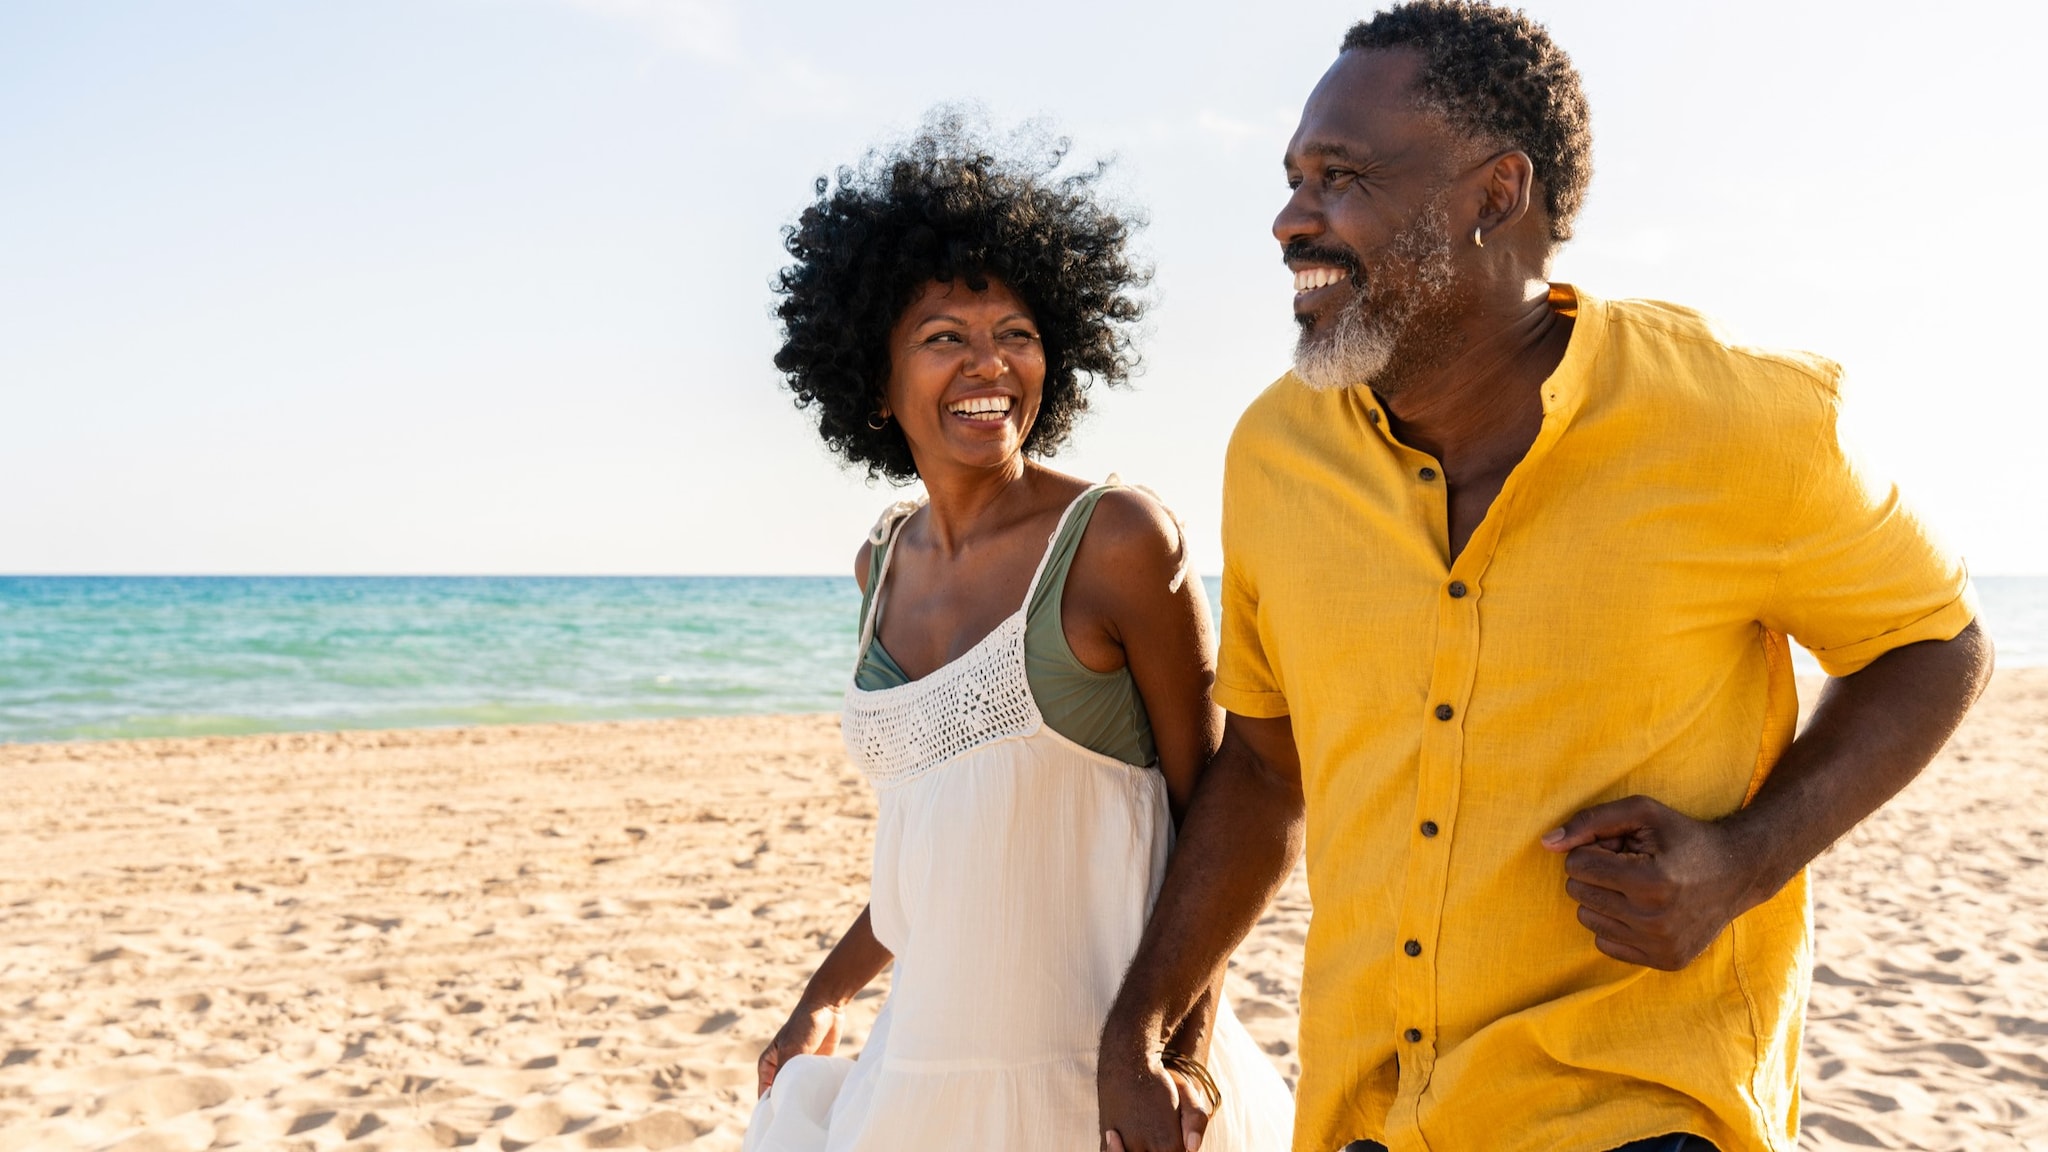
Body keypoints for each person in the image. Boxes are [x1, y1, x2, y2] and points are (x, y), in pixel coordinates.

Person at [1094, 5, 1994, 1152]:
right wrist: (1144, 1030)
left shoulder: (1734, 420)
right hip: (1367, 1118)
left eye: (1340, 177)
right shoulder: (1273, 454)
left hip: (1638, 1118)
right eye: (1291, 178)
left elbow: (1932, 641)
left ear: (1493, 195)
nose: (1288, 219)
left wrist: (1746, 859)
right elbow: (1268, 767)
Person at [742, 118, 1294, 1152]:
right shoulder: (880, 565)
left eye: (1016, 332)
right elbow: (946, 844)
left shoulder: (1118, 541)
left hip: (1094, 1078)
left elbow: (1219, 817)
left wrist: (1177, 1057)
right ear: (873, 377)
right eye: (944, 335)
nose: (987, 363)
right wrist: (826, 990)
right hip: (920, 1078)